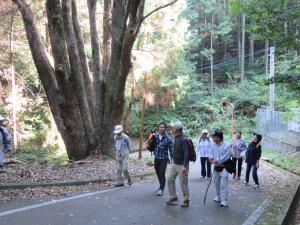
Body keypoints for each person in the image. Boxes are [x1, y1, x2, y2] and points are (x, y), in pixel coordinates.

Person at [166, 122, 190, 208]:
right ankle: (173, 196)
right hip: (174, 163)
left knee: (183, 183)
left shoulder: (184, 139)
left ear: (177, 129)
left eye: (173, 127)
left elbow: (187, 153)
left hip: (182, 165)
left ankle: (186, 200)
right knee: (169, 179)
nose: (172, 128)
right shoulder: (174, 137)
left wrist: (184, 166)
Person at [209, 129, 232, 207]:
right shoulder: (213, 144)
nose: (213, 138)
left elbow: (226, 157)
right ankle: (218, 196)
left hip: (224, 166)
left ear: (218, 137)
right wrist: (211, 158)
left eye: (214, 137)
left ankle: (224, 200)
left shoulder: (227, 145)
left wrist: (217, 161)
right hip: (216, 167)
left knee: (223, 184)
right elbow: (211, 153)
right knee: (216, 183)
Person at [152, 122, 173, 196]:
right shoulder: (155, 136)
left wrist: (172, 159)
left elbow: (171, 150)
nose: (161, 128)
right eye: (160, 127)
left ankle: (161, 188)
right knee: (158, 173)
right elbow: (151, 144)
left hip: (164, 158)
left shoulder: (168, 138)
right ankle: (161, 185)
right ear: (158, 128)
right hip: (156, 157)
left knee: (161, 173)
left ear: (165, 129)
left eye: (163, 127)